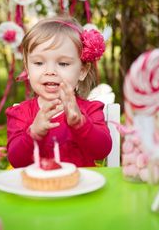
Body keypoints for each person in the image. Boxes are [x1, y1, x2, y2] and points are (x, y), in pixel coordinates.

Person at [6, 16, 112, 168]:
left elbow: (102, 151)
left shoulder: (90, 110)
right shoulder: (20, 114)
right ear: (27, 68)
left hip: (82, 188)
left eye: (63, 63)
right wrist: (33, 134)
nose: (50, 71)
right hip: (37, 190)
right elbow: (16, 161)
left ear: (82, 71)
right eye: (38, 63)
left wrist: (80, 124)